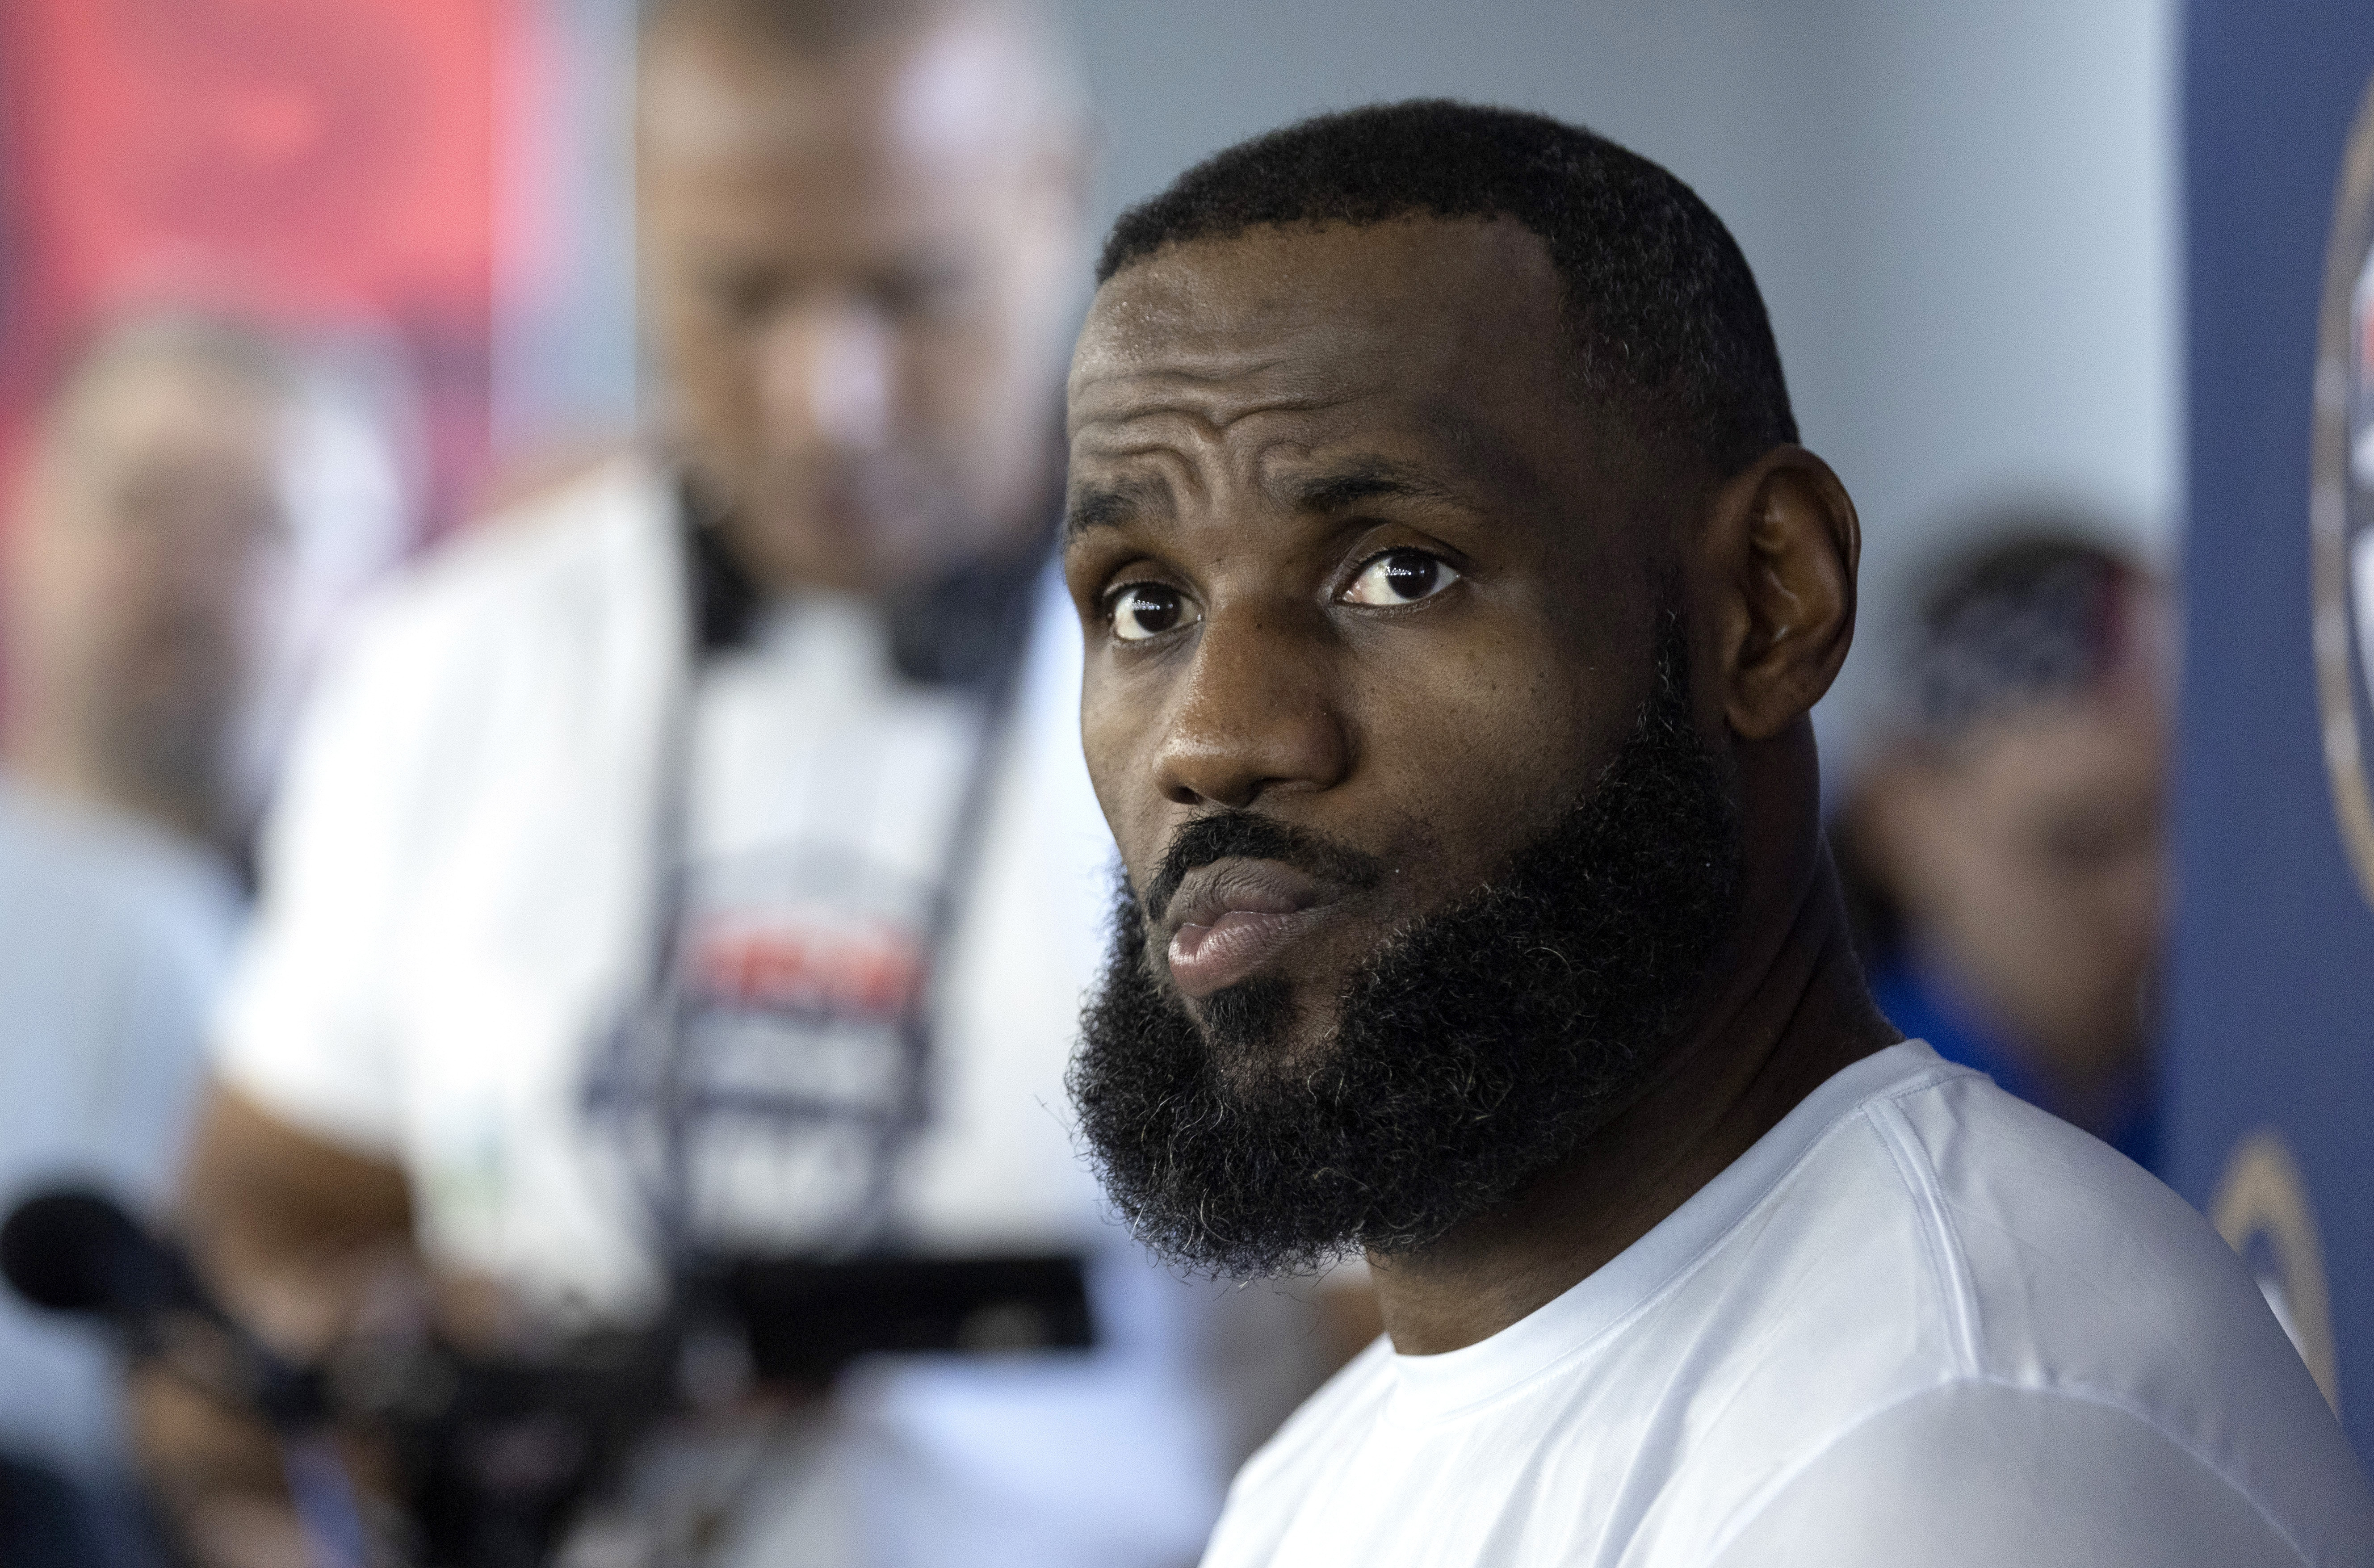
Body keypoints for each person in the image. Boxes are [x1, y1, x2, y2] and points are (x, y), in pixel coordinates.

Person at [1058, 101, 2374, 1568]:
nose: (1210, 736)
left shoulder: (1952, 1441)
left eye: (1398, 571)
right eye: (1144, 606)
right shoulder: (1324, 1478)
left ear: (1768, 603)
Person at [147, 3, 1260, 1565]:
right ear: (633, 208)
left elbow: (1424, 1345)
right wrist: (348, 1354)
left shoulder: (1273, 706)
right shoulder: (445, 663)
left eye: (911, 290)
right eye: (740, 295)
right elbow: (259, 1239)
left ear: (1054, 189)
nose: (828, 396)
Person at [0, 314, 318, 1561]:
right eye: (142, 504)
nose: (192, 571)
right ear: (32, 527)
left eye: (263, 526)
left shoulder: (427, 994)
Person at [1833, 529, 2167, 1168]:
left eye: (2189, 842)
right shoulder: (1849, 1153)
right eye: (2082, 843)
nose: (2152, 903)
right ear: (1898, 822)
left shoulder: (2224, 1102)